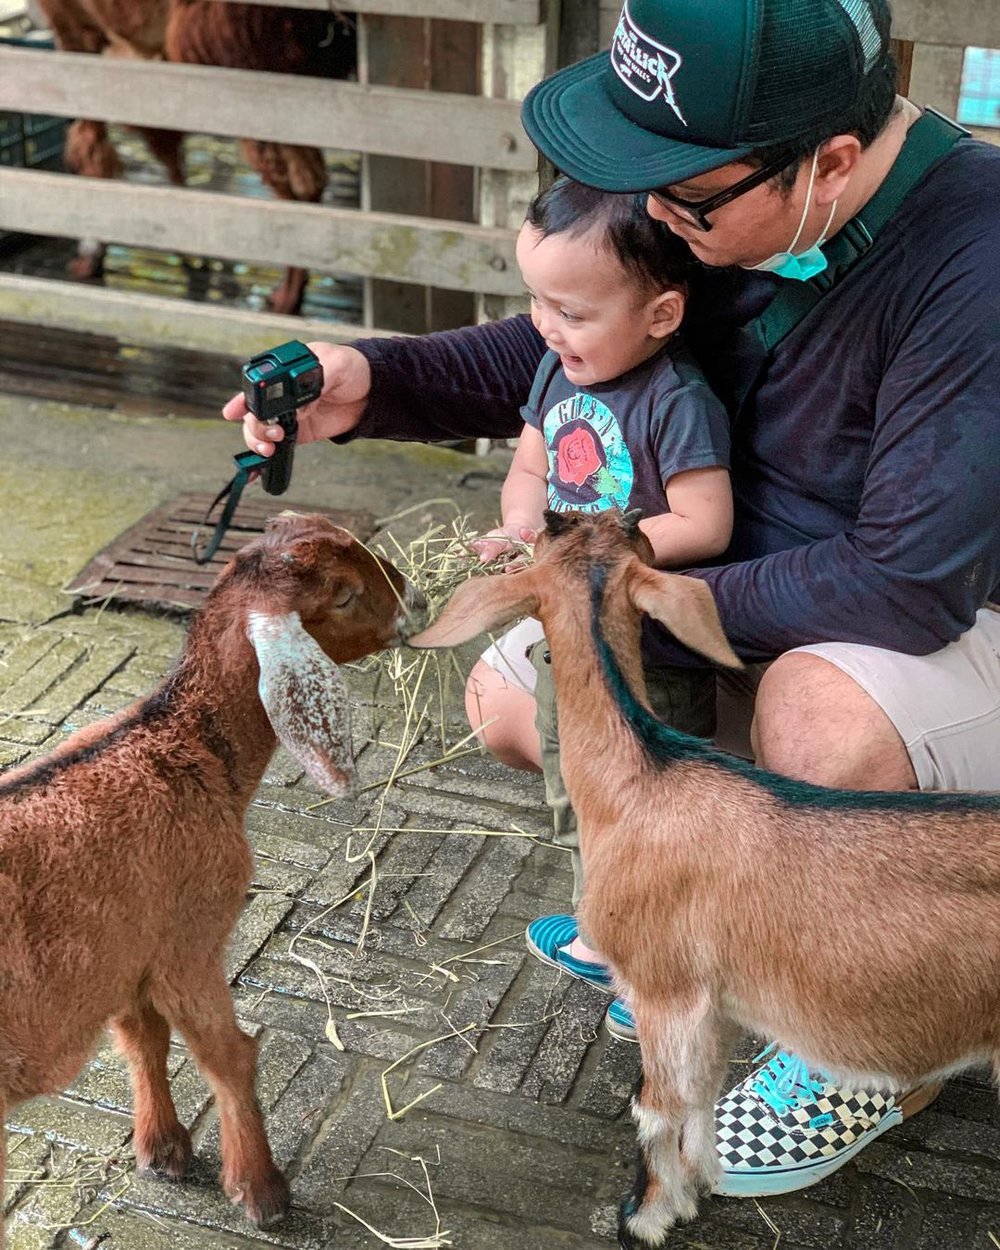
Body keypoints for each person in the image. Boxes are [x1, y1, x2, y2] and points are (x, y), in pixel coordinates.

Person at [223, 0, 1000, 1201]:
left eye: (678, 196)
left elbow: (900, 580)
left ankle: (870, 1048)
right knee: (512, 696)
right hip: (752, 590)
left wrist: (618, 598)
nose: (650, 219)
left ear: (831, 165)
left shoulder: (974, 264)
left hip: (943, 615)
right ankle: (728, 925)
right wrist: (371, 380)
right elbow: (579, 338)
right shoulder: (732, 204)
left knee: (819, 723)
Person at [469, 174, 732, 790]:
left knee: (648, 767)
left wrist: (593, 555)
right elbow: (532, 467)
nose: (545, 326)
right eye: (536, 300)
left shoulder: (678, 401)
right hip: (567, 602)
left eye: (570, 312)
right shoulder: (559, 369)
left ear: (661, 314)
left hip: (641, 629)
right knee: (565, 735)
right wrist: (523, 528)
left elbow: (706, 522)